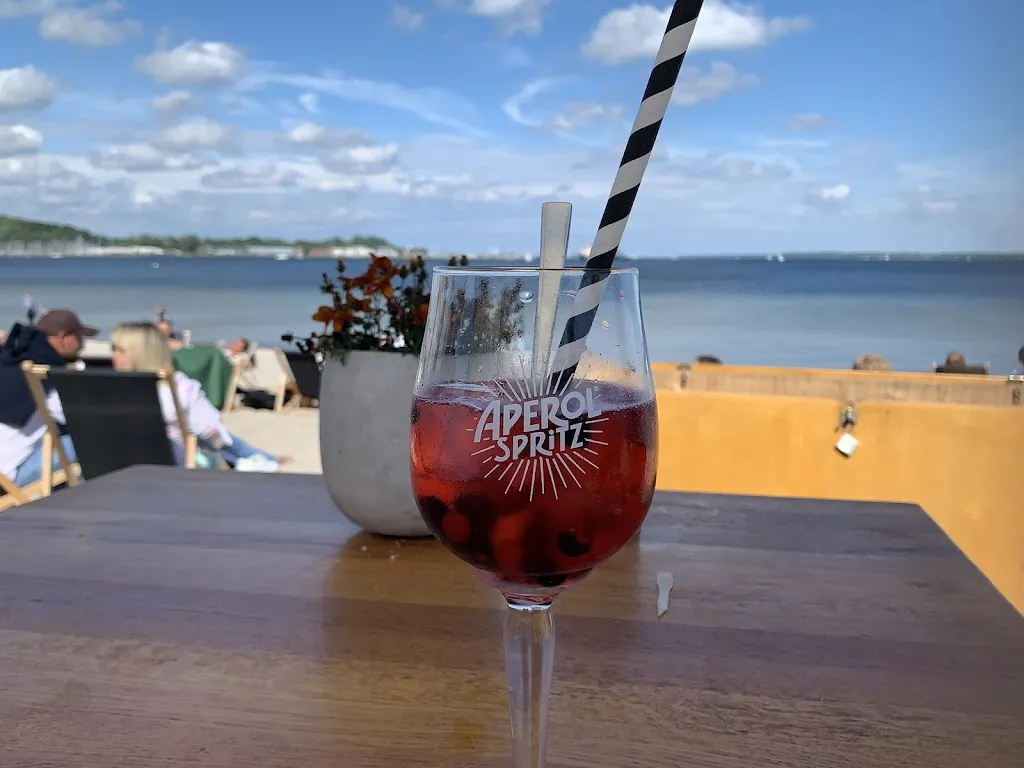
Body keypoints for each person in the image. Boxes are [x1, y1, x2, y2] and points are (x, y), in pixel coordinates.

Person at [110, 322, 283, 471]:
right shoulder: (178, 389)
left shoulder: (103, 388)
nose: (113, 355)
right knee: (215, 440)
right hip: (166, 469)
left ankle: (262, 457)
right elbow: (213, 434)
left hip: (112, 465)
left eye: (118, 350)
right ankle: (263, 458)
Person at [0, 309, 97, 486]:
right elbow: (82, 420)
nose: (82, 345)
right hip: (9, 475)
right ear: (63, 338)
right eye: (79, 338)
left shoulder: (9, 362)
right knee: (93, 442)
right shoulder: (42, 376)